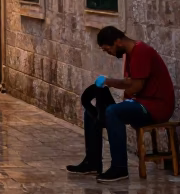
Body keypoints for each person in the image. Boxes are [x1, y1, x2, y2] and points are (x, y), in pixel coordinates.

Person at [67, 26, 174, 183]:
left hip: (156, 107)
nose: (109, 53)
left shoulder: (141, 52)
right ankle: (92, 162)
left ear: (118, 42)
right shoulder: (130, 55)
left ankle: (119, 168)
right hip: (141, 103)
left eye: (108, 49)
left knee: (113, 112)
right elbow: (128, 84)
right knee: (93, 111)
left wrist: (109, 82)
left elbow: (136, 86)